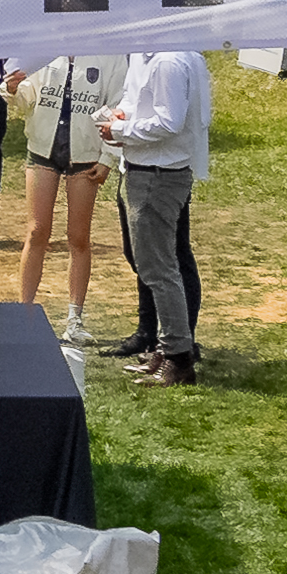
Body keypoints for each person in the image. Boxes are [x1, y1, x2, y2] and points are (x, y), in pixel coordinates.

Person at [99, 47, 214, 387]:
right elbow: (142, 104)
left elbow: (169, 121)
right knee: (155, 265)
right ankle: (168, 349)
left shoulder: (168, 62)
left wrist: (121, 131)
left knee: (160, 269)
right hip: (147, 170)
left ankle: (178, 358)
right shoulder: (150, 57)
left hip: (157, 175)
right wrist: (123, 116)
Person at [8, 54, 121, 342]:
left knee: (78, 236)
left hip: (86, 154)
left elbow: (118, 105)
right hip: (42, 150)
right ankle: (24, 316)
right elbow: (24, 98)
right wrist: (11, 90)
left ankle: (75, 319)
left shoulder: (111, 54)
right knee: (36, 231)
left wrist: (109, 157)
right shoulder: (44, 48)